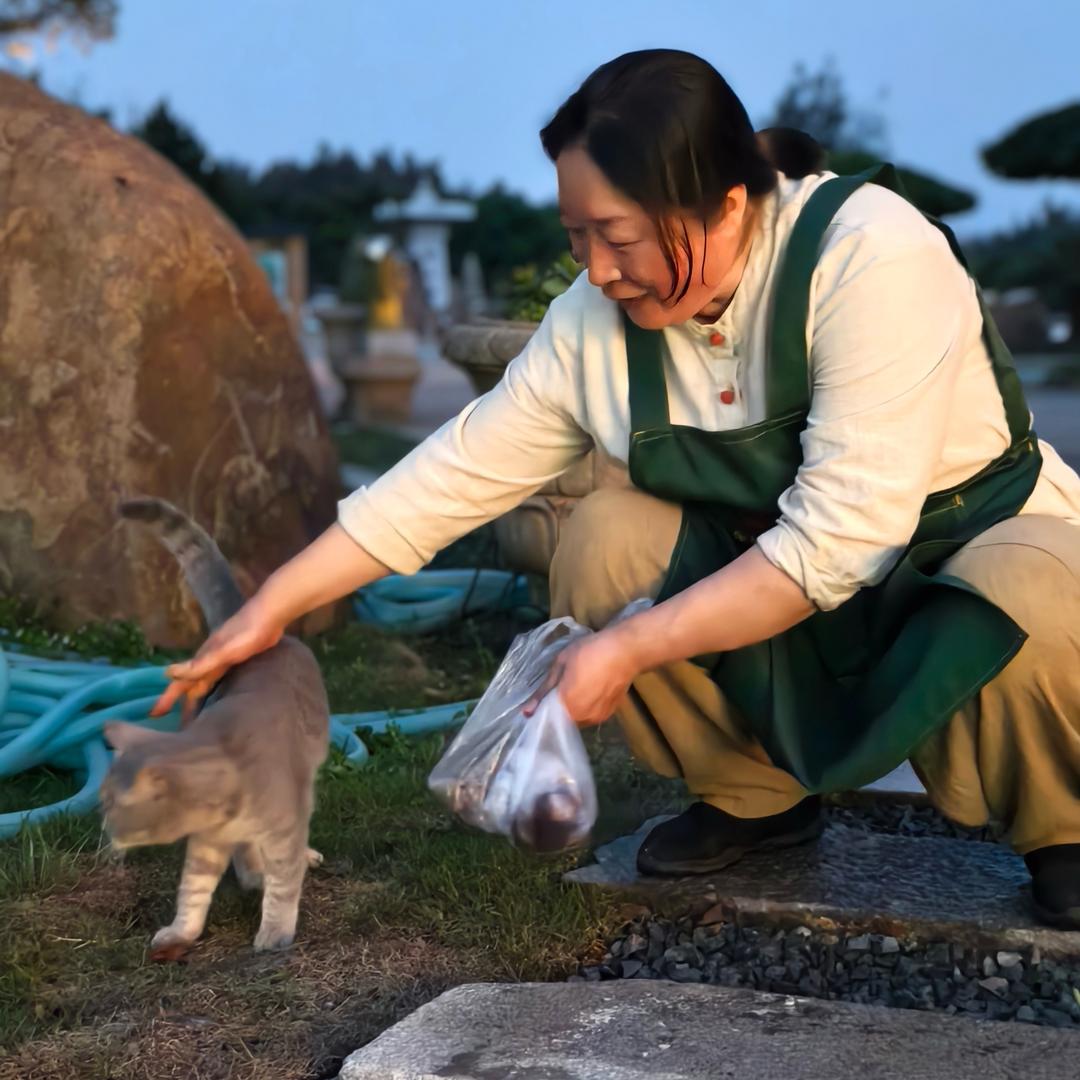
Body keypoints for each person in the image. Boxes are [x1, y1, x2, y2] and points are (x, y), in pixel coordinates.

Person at [153, 50, 1080, 928]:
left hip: (953, 554)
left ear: (725, 205)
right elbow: (449, 476)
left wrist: (631, 646)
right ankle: (753, 799)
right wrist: (270, 608)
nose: (596, 269)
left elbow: (841, 540)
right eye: (577, 236)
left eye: (621, 236)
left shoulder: (871, 254)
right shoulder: (595, 323)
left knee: (1039, 591)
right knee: (603, 538)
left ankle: (1065, 823)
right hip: (770, 580)